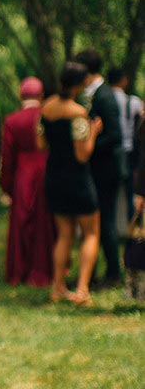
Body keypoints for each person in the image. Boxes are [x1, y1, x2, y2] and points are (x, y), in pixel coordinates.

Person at [38, 61, 102, 306]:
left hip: (54, 176)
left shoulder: (46, 108)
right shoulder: (77, 113)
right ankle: (82, 290)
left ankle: (57, 288)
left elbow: (41, 144)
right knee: (90, 233)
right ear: (78, 84)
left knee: (64, 234)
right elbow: (82, 154)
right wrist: (94, 130)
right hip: (78, 179)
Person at [0, 76, 54, 287]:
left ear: (21, 95)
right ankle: (42, 270)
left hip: (23, 173)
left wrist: (6, 184)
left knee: (21, 222)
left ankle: (19, 270)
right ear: (41, 96)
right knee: (44, 221)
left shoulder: (12, 120)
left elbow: (7, 156)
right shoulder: (45, 116)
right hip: (45, 170)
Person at [76, 50, 123, 286]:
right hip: (96, 170)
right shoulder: (92, 94)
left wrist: (90, 146)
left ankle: (113, 273)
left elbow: (115, 135)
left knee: (106, 223)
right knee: (95, 222)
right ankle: (93, 272)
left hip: (106, 170)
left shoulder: (104, 96)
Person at [108, 66, 143, 221]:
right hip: (128, 151)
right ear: (123, 81)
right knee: (130, 192)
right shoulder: (133, 102)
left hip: (109, 152)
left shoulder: (102, 100)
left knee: (108, 192)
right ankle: (131, 226)